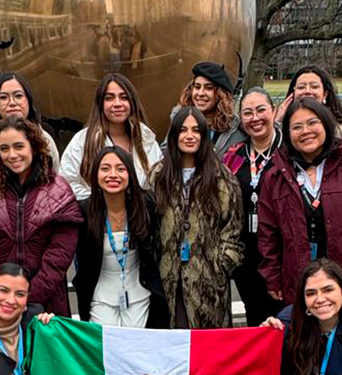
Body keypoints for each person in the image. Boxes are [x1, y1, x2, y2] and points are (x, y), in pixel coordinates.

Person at [258, 97, 342, 309]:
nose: (305, 131)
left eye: (313, 123)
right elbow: (268, 233)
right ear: (287, 134)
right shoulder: (275, 176)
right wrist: (272, 276)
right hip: (296, 280)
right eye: (296, 127)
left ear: (325, 124)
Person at [0, 115, 82, 316]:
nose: (12, 155)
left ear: (33, 147)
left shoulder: (59, 190)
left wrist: (28, 295)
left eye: (19, 146)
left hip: (48, 302)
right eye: (4, 148)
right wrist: (0, 291)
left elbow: (60, 255)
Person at [150, 107, 243, 329]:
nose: (189, 136)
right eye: (183, 130)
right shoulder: (158, 175)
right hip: (166, 279)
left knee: (208, 352)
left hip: (208, 284)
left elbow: (233, 232)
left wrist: (219, 266)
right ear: (174, 135)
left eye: (196, 130)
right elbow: (149, 225)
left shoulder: (222, 178)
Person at [73, 147, 169, 327]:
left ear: (130, 174)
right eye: (105, 169)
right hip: (100, 295)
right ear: (95, 175)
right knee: (105, 348)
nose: (113, 175)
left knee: (137, 348)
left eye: (120, 168)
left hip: (140, 291)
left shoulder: (147, 205)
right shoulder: (83, 211)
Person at [221, 87, 285, 325]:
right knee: (256, 318)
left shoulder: (289, 151)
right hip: (246, 254)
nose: (255, 118)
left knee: (285, 317)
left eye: (261, 110)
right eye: (247, 113)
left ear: (274, 111)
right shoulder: (233, 156)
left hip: (281, 252)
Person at [59, 73, 162, 201]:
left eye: (124, 97)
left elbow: (158, 185)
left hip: (141, 218)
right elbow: (66, 184)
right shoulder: (83, 141)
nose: (117, 103)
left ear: (132, 102)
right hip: (96, 217)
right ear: (101, 103)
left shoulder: (146, 140)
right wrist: (103, 203)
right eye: (109, 98)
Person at [0, 72, 60, 165]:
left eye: (18, 96)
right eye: (3, 97)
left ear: (28, 100)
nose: (12, 102)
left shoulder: (45, 141)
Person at [169, 61, 247, 156]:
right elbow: (166, 152)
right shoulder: (179, 118)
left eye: (208, 88)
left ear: (220, 94)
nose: (200, 93)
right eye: (197, 87)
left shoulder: (234, 129)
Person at [275, 65, 342, 135]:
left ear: (325, 94)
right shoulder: (281, 129)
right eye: (301, 87)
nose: (307, 91)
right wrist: (277, 122)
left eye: (314, 87)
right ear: (293, 93)